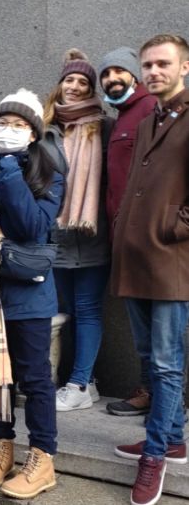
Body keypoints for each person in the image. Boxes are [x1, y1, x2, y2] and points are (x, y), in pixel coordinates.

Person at [0, 90, 64, 500]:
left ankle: (42, 458)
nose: (8, 130)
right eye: (2, 123)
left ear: (33, 134)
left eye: (19, 125)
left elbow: (28, 227)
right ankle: (1, 446)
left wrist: (8, 169)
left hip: (29, 295)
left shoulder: (49, 176)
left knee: (35, 377)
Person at [111, 34, 189, 505]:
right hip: (135, 260)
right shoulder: (148, 120)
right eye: (148, 65)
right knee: (149, 357)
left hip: (171, 262)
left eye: (163, 63)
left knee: (165, 364)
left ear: (185, 67)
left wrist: (171, 227)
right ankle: (174, 435)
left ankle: (156, 454)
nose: (154, 71)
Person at [41, 50, 113, 411]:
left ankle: (80, 384)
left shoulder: (103, 126)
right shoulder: (46, 127)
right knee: (63, 309)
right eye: (69, 80)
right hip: (54, 235)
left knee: (87, 309)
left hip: (90, 234)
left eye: (82, 82)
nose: (74, 87)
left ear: (90, 90)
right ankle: (86, 380)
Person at [97, 48, 158, 417]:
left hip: (149, 239)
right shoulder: (122, 115)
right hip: (125, 239)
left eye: (120, 70)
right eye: (106, 73)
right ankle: (151, 390)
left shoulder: (150, 109)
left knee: (157, 331)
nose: (111, 78)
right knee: (142, 327)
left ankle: (163, 401)